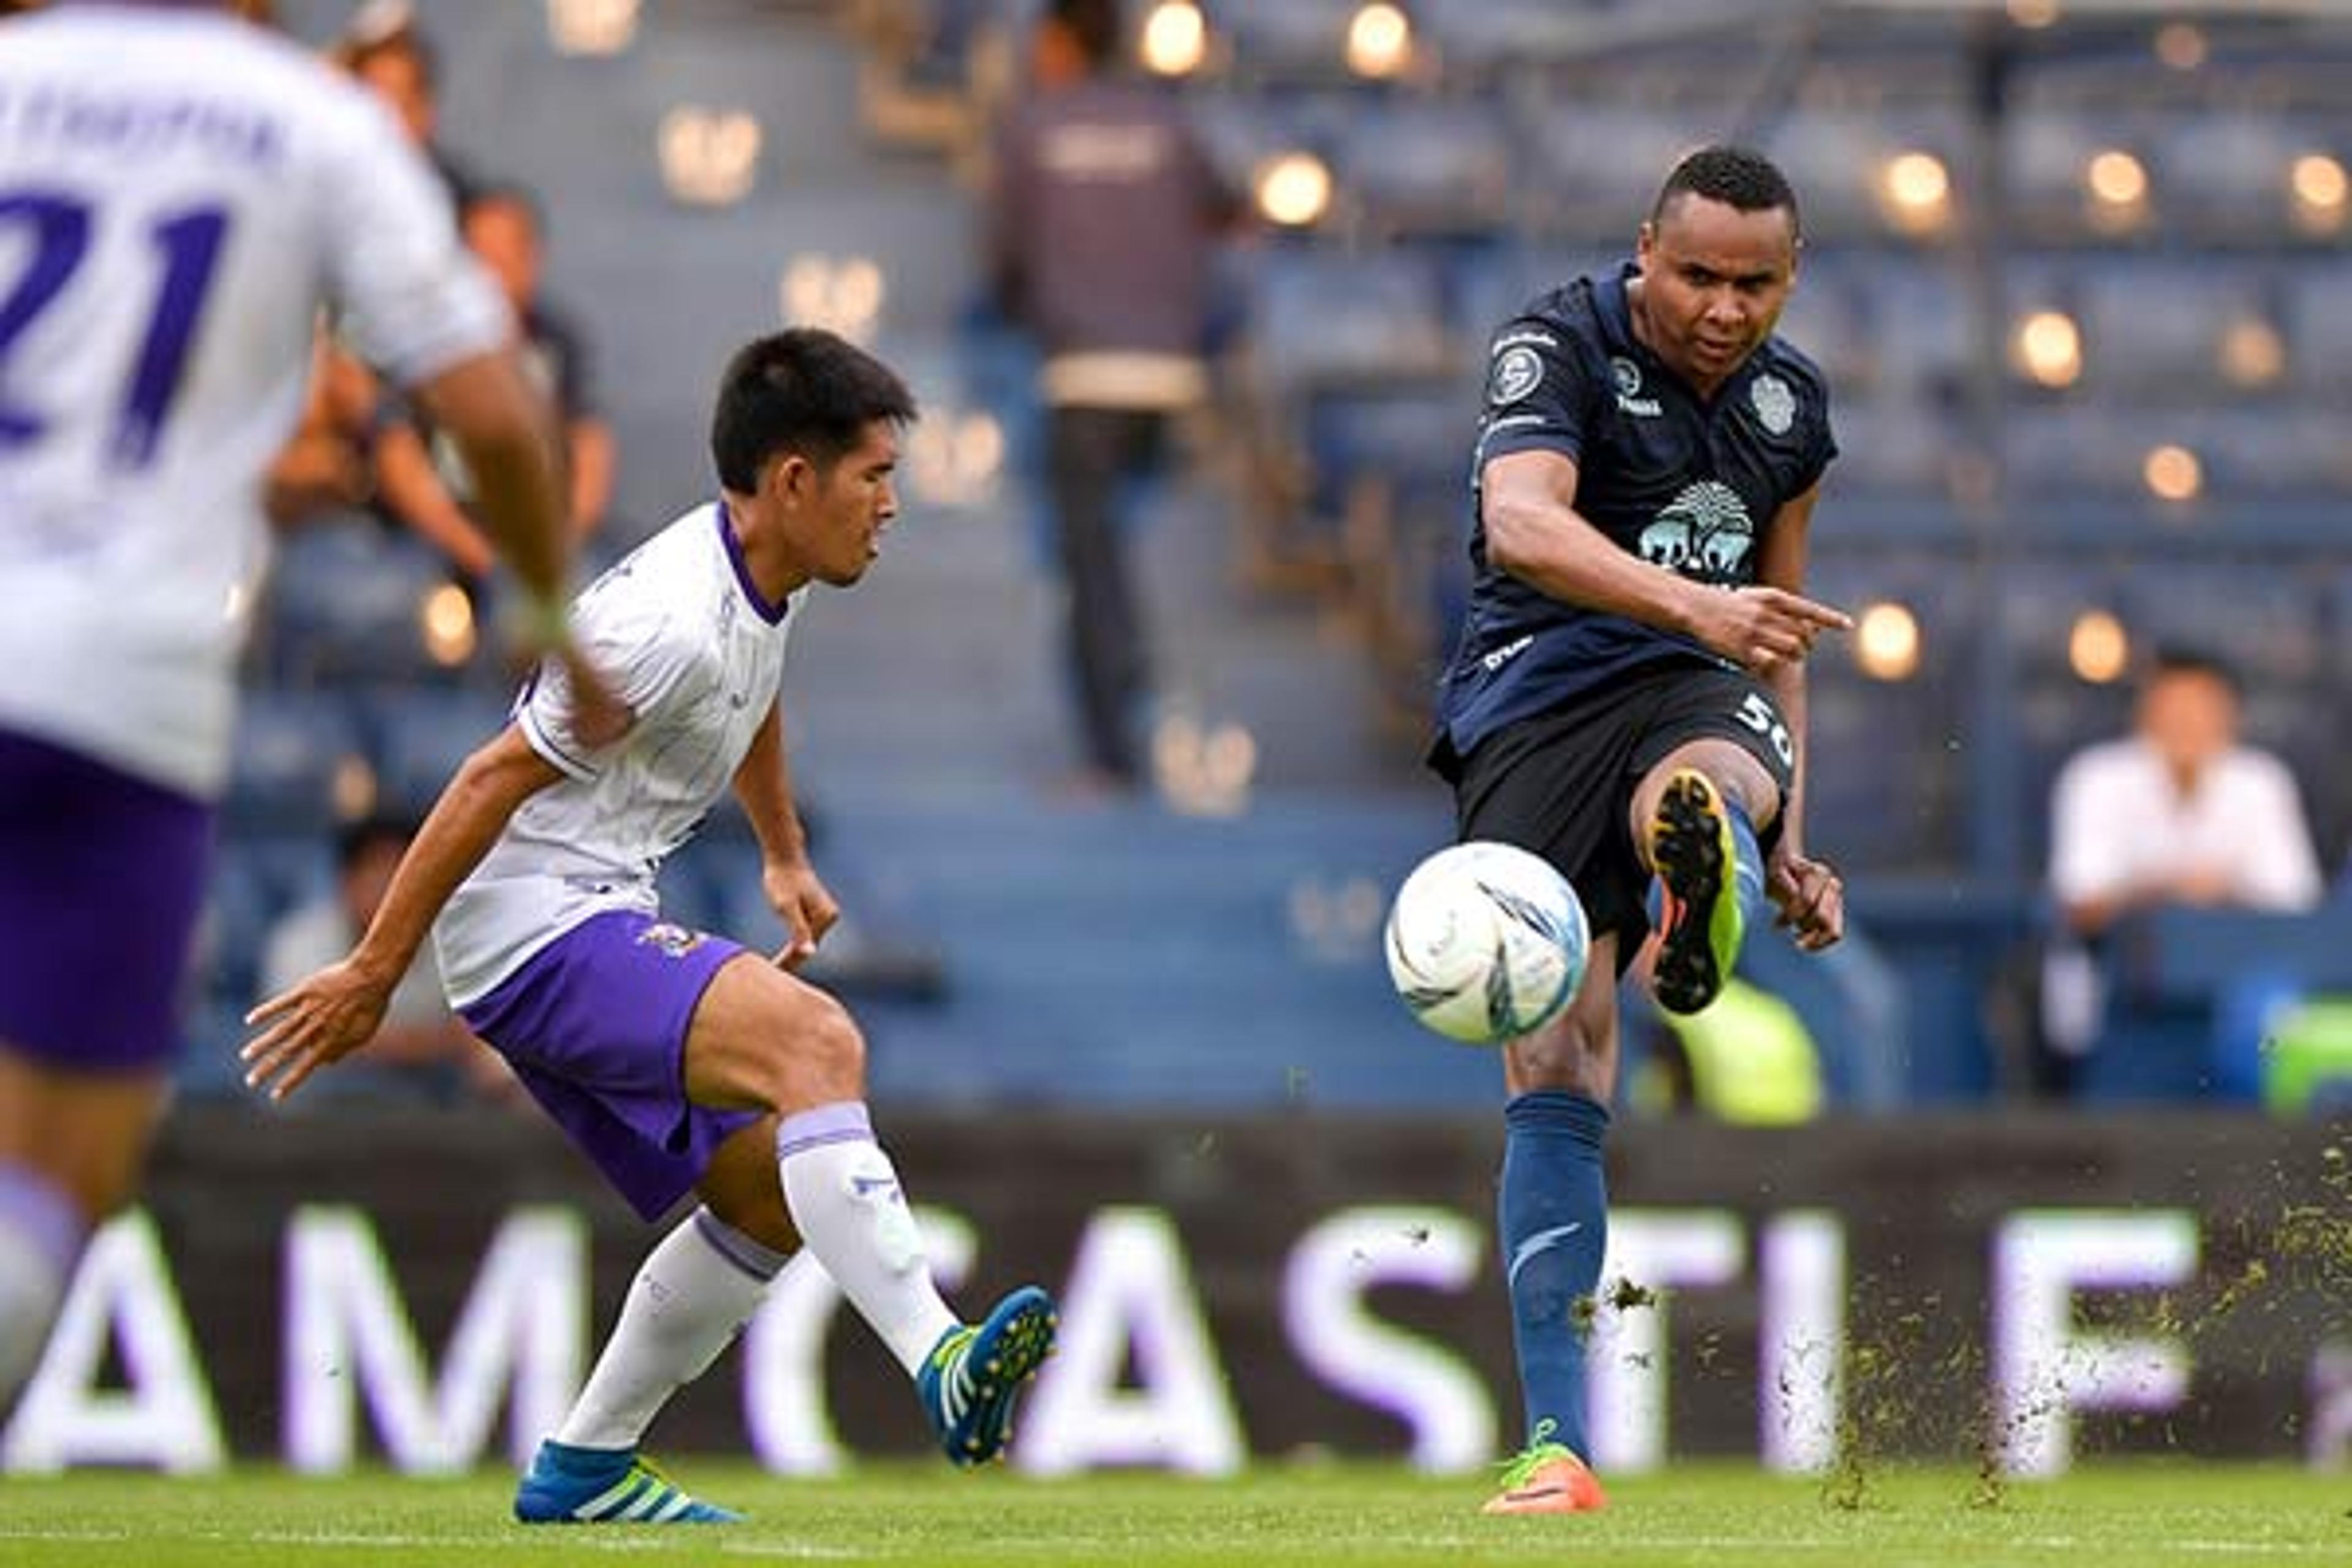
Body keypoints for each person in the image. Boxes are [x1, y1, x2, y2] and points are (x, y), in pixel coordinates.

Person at [242, 328, 1059, 1524]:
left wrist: (780, 851)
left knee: (769, 1190)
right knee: (818, 1044)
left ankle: (582, 1465)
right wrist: (374, 970)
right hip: (534, 928)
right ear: (792, 480)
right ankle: (940, 1354)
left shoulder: (757, 577)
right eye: (874, 476)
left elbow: (757, 688)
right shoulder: (661, 622)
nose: (892, 504)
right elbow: (482, 780)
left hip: (580, 915)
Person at [0, 0, 614, 1414]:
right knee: (64, 1172)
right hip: (119, 689)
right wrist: (538, 607)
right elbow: (498, 411)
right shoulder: (308, 121)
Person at [1424, 145, 1851, 1514]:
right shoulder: (1554, 345)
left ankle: (1708, 854)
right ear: (1645, 253)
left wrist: (1796, 838)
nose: (1727, 308)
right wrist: (1698, 604)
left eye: (1758, 283)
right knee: (1557, 1047)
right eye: (1700, 276)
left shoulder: (1793, 408)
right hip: (1539, 688)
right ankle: (1562, 1448)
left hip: (1699, 689)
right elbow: (1523, 524)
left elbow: (1778, 636)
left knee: (1707, 771)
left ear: (1793, 278)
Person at [984, 0, 1242, 793]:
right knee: (1122, 554)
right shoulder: (1170, 123)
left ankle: (1111, 755)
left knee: (1090, 567)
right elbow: (1233, 212)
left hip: (1082, 378)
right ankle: (1142, 683)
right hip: (1171, 377)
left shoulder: (1032, 129)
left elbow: (1001, 265)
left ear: (1059, 43)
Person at [2039, 646, 2323, 1096]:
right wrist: (2165, 887)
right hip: (2122, 1002)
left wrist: (2219, 889)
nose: (2187, 721)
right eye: (2173, 707)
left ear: (2230, 715)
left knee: (2268, 1011)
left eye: (2203, 707)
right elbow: (2081, 904)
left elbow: (2294, 904)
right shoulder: (2096, 777)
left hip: (2239, 991)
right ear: (2144, 712)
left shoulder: (2262, 780)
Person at [258, 815, 514, 1107]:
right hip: (327, 1093)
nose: (387, 888)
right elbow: (308, 1041)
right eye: (375, 873)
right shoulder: (301, 939)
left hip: (427, 1094)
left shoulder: (452, 938)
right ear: (347, 881)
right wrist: (427, 1044)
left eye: (400, 875)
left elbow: (471, 1038)